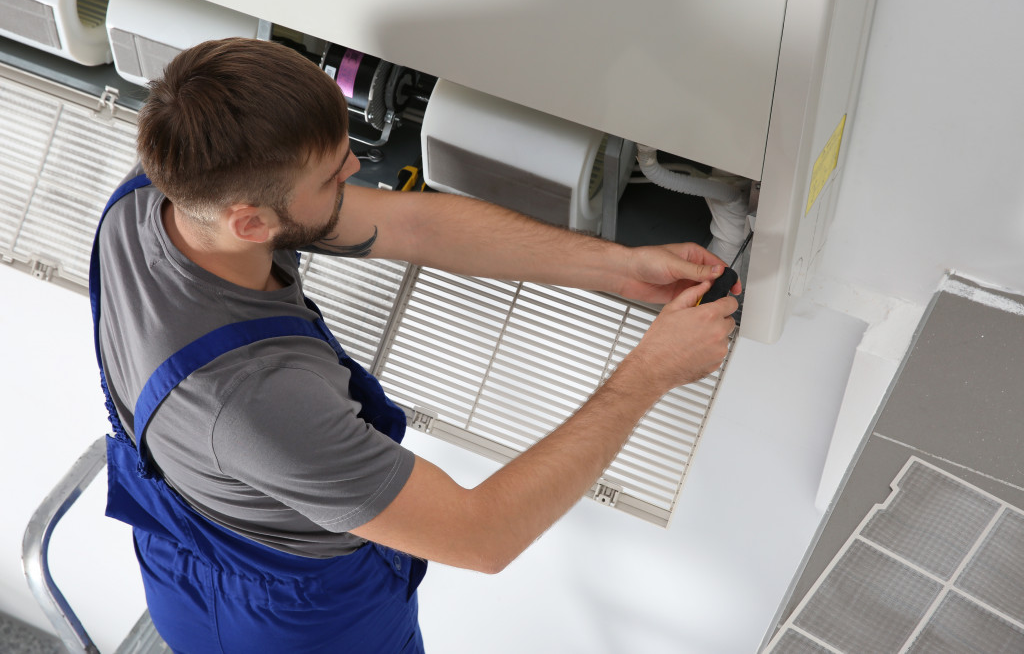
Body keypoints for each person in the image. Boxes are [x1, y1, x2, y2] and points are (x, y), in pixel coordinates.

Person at [90, 37, 739, 653]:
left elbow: (416, 225)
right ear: (252, 223)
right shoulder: (255, 403)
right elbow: (482, 533)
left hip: (191, 558)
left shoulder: (154, 200)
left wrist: (617, 268)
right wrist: (651, 371)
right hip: (298, 630)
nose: (354, 167)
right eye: (332, 177)